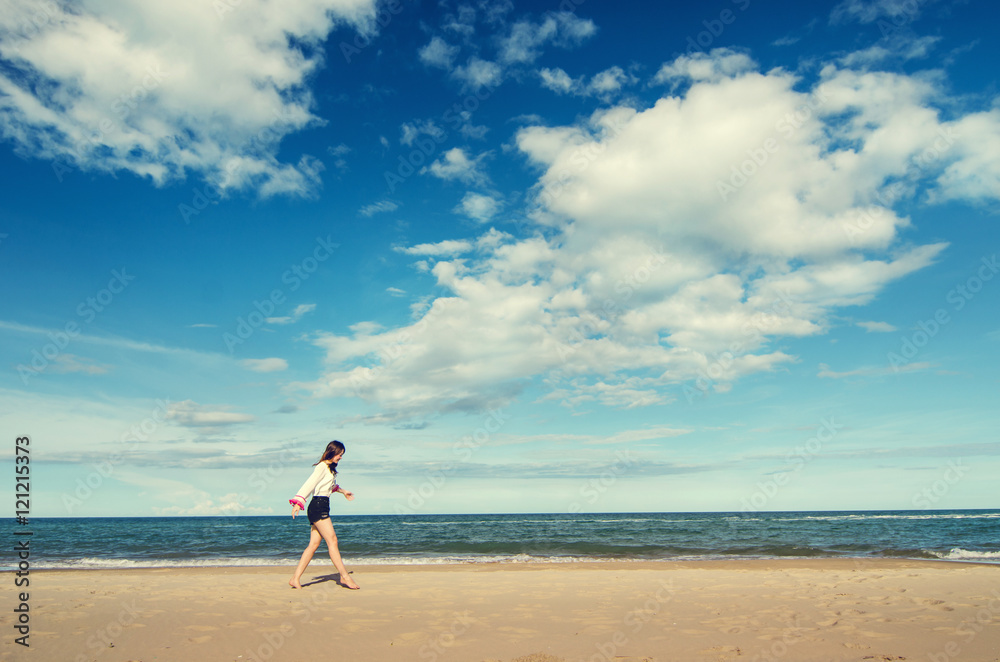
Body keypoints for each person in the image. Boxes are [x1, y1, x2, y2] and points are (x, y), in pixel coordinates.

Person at [288, 440, 360, 590]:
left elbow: (331, 486)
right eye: (340, 454)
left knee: (313, 545)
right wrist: (298, 502)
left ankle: (295, 578)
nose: (341, 457)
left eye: (342, 455)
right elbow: (310, 483)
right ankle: (344, 576)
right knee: (332, 540)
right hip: (318, 506)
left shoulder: (329, 469)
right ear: (332, 451)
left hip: (322, 505)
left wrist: (343, 491)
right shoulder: (322, 466)